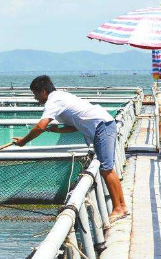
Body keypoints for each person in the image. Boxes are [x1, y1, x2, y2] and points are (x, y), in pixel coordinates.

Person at [13, 75, 128, 222]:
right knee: (107, 169)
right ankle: (122, 206)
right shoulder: (61, 97)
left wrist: (23, 141)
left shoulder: (53, 101)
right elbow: (73, 127)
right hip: (104, 125)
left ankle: (118, 208)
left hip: (101, 127)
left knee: (106, 169)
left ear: (43, 91)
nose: (36, 99)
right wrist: (54, 130)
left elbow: (40, 126)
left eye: (35, 95)